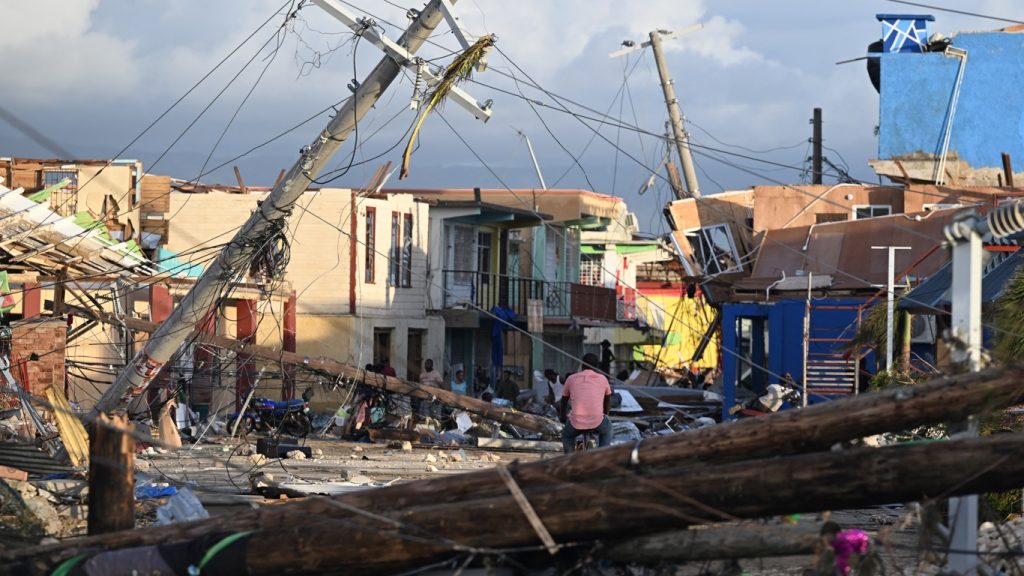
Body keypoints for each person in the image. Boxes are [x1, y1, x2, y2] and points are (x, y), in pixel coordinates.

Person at [559, 353, 612, 454]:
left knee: (567, 436)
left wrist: (562, 416)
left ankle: (569, 459)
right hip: (597, 421)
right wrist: (606, 415)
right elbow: (607, 400)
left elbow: (564, 400)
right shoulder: (603, 378)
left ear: (582, 365)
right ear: (596, 366)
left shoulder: (571, 378)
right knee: (607, 430)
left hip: (576, 422)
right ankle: (603, 455)